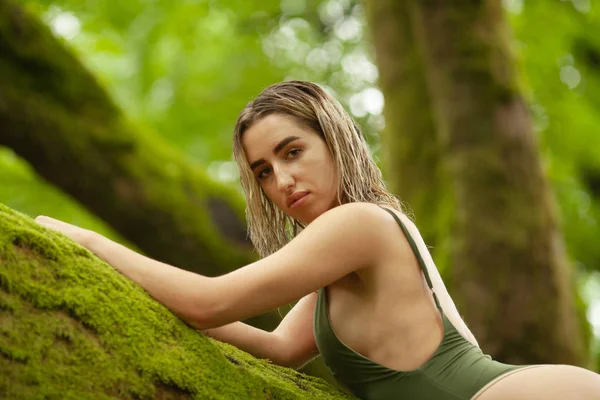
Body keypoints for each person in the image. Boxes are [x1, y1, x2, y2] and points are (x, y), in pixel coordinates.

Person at [36, 81, 600, 400]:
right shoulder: (342, 261)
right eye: (261, 171)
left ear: (334, 141)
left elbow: (208, 300)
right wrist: (131, 288)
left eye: (292, 152)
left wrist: (83, 241)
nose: (281, 181)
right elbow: (278, 346)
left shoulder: (358, 224)